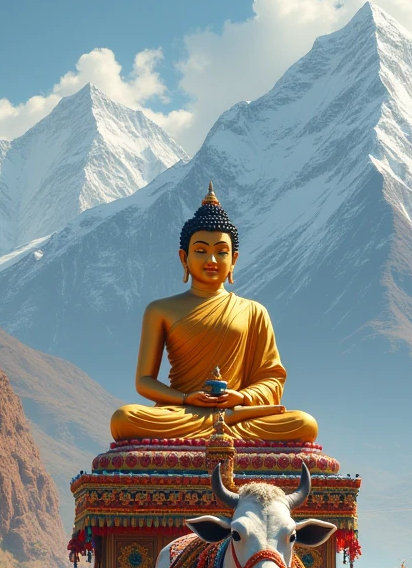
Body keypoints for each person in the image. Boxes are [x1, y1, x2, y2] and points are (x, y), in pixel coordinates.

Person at [110, 183, 317, 443]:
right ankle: (221, 424)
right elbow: (144, 381)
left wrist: (240, 398)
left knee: (304, 423)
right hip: (184, 411)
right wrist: (186, 398)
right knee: (124, 418)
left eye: (221, 252)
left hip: (238, 411)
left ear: (234, 259)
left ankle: (224, 421)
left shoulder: (254, 311)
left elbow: (272, 378)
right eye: (200, 251)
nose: (212, 260)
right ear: (183, 258)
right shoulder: (160, 310)